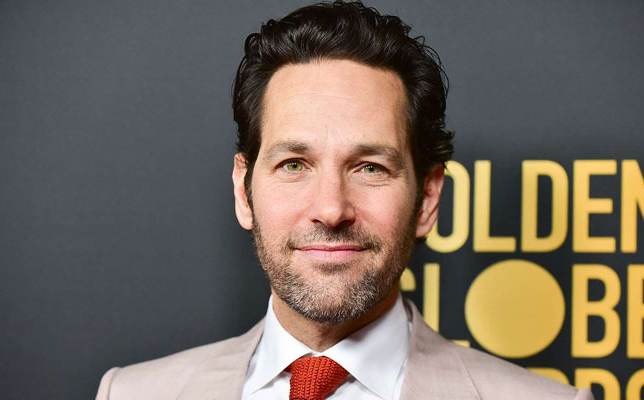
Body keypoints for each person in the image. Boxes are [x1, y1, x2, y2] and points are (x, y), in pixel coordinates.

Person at [95, 2, 594, 399]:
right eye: (294, 165)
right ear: (243, 191)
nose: (331, 209)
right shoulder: (132, 394)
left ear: (427, 198)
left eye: (370, 168)